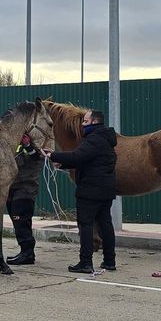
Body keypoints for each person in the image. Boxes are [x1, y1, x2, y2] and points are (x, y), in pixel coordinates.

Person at [50, 108, 118, 273]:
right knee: (105, 224)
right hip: (105, 190)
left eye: (85, 122)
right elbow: (86, 160)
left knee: (85, 225)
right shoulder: (105, 139)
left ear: (95, 122)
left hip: (90, 191)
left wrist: (53, 156)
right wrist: (63, 163)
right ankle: (109, 260)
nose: (82, 125)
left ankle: (85, 262)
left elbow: (77, 156)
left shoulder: (94, 139)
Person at [5, 132, 47, 265]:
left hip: (26, 188)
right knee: (16, 220)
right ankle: (25, 251)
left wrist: (28, 145)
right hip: (11, 186)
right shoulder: (13, 140)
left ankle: (28, 253)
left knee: (21, 219)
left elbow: (36, 158)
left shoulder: (34, 142)